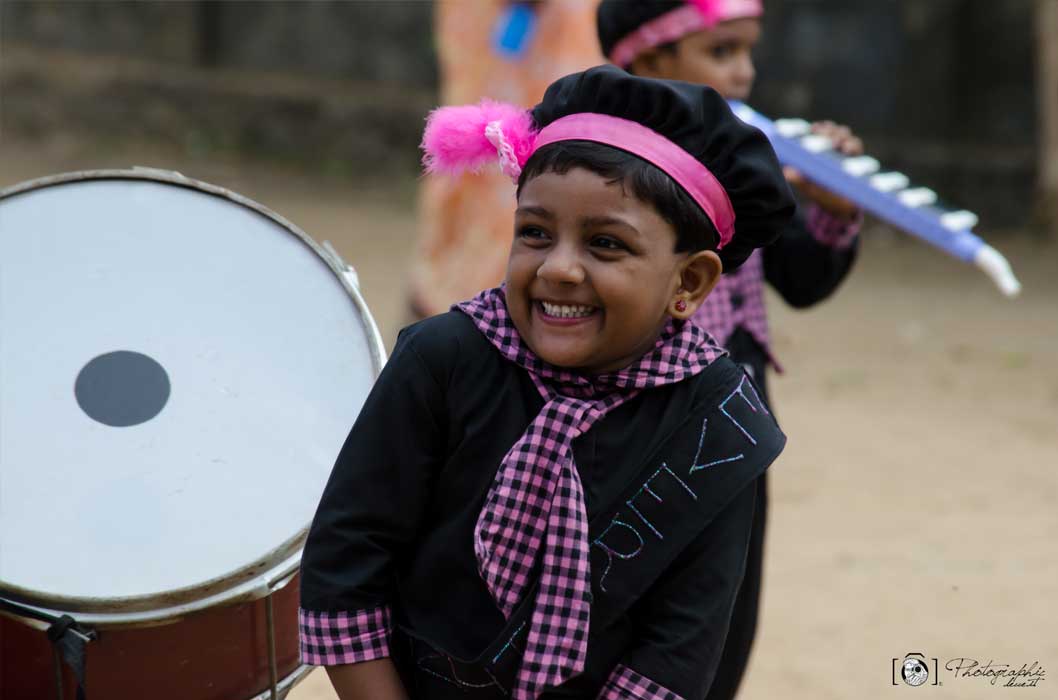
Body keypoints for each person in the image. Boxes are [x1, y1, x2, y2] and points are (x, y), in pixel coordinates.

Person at [299, 65, 795, 699]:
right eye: (534, 233)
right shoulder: (441, 360)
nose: (558, 268)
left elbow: (679, 649)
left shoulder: (722, 427)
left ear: (689, 283)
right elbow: (346, 562)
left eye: (606, 244)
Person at [596, 1, 865, 697]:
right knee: (630, 598)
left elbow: (802, 280)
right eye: (722, 52)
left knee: (723, 608)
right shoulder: (597, 163)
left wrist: (830, 208)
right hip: (641, 418)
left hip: (739, 418)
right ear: (648, 61)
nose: (745, 72)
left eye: (749, 51)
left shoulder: (749, 155)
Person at [408, 0, 603, 319]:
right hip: (500, 37)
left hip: (567, 32)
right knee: (485, 148)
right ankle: (459, 303)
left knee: (563, 140)